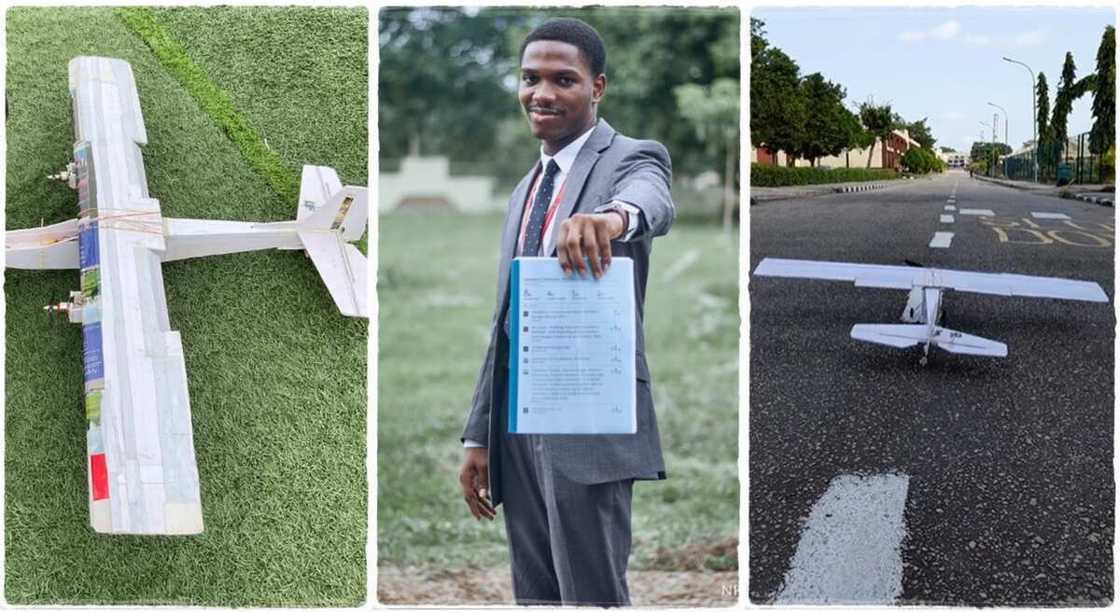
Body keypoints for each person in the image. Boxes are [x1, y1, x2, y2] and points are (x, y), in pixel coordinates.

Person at [457, 17, 674, 606]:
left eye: (563, 79)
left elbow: (652, 198)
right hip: (517, 422)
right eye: (530, 78)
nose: (542, 93)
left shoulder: (631, 157)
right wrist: (479, 435)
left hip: (587, 416)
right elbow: (505, 321)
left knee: (592, 592)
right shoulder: (526, 187)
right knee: (536, 591)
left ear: (597, 87)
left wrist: (611, 219)